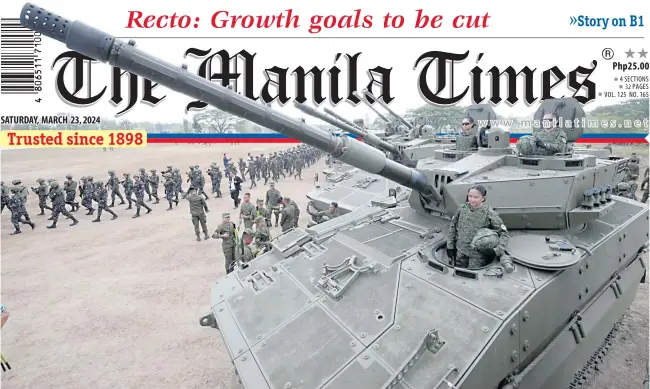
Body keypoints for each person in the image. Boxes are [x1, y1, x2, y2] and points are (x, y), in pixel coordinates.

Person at [446, 185, 512, 271]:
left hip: (477, 256)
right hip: (460, 252)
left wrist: (497, 250)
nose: (472, 199)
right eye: (470, 196)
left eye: (476, 197)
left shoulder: (489, 213)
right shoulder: (462, 209)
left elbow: (504, 233)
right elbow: (453, 226)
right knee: (459, 274)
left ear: (483, 198)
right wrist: (450, 245)